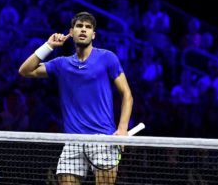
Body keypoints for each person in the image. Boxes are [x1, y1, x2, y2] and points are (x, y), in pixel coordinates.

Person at [19, 12, 133, 185]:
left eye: (88, 27)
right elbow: (25, 71)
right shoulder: (61, 64)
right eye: (79, 26)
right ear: (71, 32)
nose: (83, 30)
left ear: (93, 35)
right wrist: (48, 46)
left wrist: (123, 128)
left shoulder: (107, 58)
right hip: (73, 141)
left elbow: (127, 94)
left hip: (103, 139)